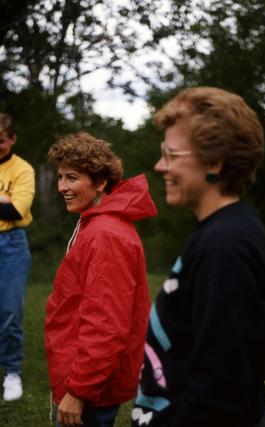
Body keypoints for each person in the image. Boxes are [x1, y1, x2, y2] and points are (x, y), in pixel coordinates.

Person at [131, 87, 265, 427]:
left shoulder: (225, 246)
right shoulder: (224, 232)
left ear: (214, 162)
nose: (159, 165)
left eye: (172, 154)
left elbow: (220, 395)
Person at [45, 131, 157, 427]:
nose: (61, 187)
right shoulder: (96, 224)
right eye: (60, 177)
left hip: (90, 389)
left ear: (101, 182)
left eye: (72, 178)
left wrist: (79, 391)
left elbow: (106, 324)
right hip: (83, 375)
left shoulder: (106, 235)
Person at [0, 113, 35, 401]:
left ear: (11, 139)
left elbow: (15, 211)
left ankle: (12, 371)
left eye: (0, 140)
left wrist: (8, 204)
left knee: (10, 312)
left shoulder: (22, 169)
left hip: (11, 244)